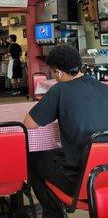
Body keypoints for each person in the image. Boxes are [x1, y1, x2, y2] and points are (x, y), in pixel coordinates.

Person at [24, 45, 108, 218]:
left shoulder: (60, 90)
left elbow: (30, 123)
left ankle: (53, 214)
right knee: (57, 153)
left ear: (59, 73)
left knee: (32, 157)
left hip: (79, 180)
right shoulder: (103, 88)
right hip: (104, 174)